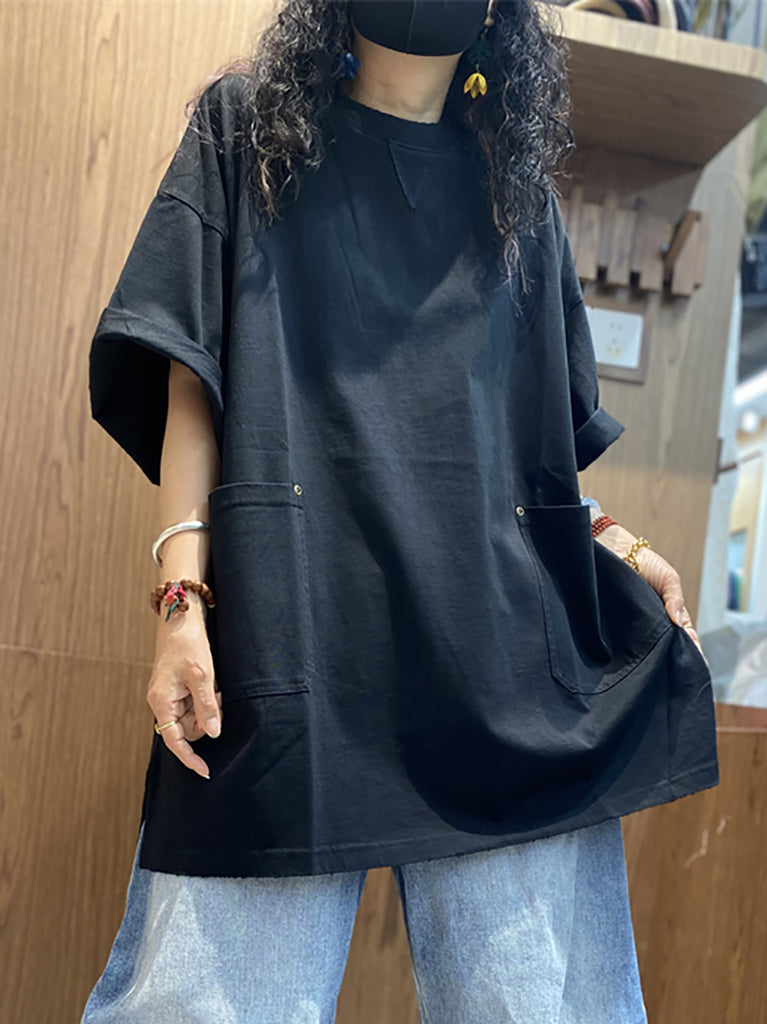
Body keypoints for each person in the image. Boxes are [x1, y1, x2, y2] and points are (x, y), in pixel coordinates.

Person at [81, 1, 718, 1020]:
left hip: (498, 665)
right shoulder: (249, 134)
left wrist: (611, 537)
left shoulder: (515, 192)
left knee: (531, 1009)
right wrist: (181, 601)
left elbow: (525, 448)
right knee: (208, 1006)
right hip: (288, 639)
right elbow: (188, 373)